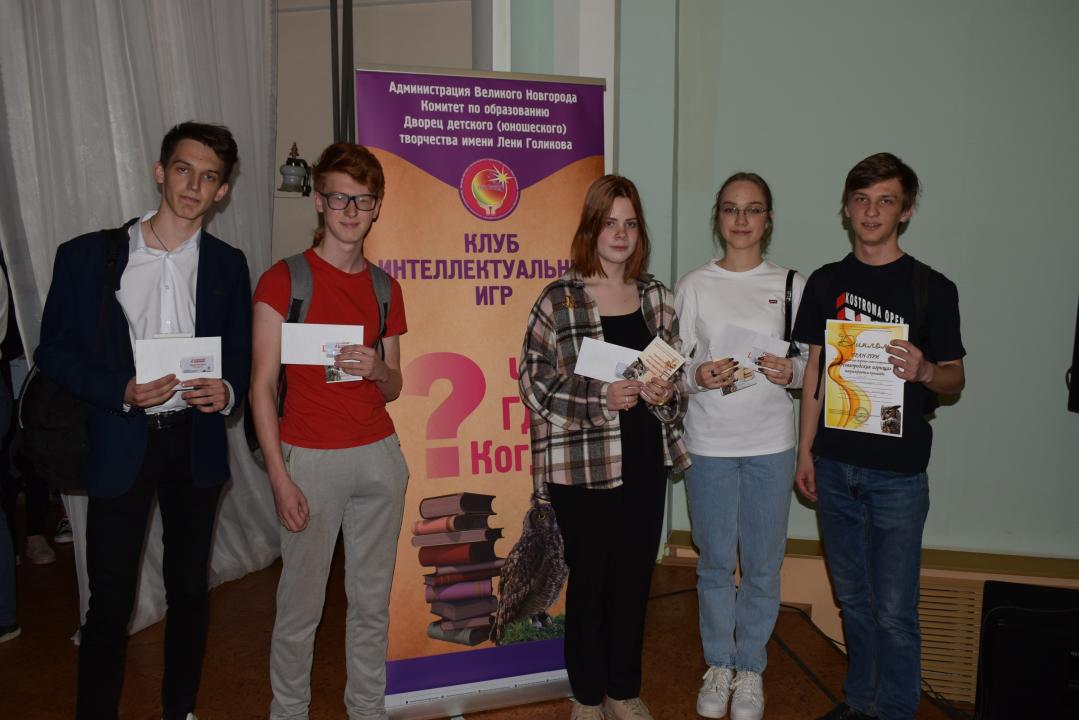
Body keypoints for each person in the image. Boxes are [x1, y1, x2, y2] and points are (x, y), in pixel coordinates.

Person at [34, 121, 252, 720]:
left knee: (189, 592)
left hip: (195, 444)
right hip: (120, 438)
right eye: (183, 169)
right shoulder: (88, 255)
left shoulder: (229, 264)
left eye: (209, 177)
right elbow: (53, 350)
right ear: (160, 172)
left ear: (222, 191)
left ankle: (179, 709)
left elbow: (240, 352)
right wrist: (120, 389)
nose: (193, 186)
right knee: (108, 602)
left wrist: (227, 389)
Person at [791, 153, 966, 720]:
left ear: (905, 211)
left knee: (894, 611)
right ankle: (859, 701)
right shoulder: (825, 282)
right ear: (846, 209)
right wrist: (806, 452)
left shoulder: (932, 288)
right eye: (861, 200)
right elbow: (814, 372)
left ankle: (893, 710)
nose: (872, 212)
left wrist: (925, 370)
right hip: (834, 465)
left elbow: (955, 377)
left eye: (885, 201)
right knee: (854, 602)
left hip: (898, 475)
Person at [519, 175, 690, 720]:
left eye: (630, 224)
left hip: (645, 460)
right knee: (589, 585)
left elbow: (675, 383)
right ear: (591, 229)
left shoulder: (658, 297)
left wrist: (665, 392)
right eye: (609, 222)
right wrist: (601, 398)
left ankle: (623, 690)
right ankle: (588, 696)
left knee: (634, 581)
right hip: (582, 466)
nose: (620, 234)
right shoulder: (558, 299)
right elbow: (533, 383)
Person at [251, 142, 408, 720]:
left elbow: (395, 385)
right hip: (310, 460)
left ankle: (366, 709)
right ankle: (288, 711)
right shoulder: (283, 280)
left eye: (362, 200)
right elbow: (261, 387)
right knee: (300, 607)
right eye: (339, 197)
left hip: (379, 457)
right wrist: (279, 478)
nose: (350, 210)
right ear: (319, 201)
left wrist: (378, 368)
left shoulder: (386, 288)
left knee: (371, 604)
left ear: (376, 207)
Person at [674, 173, 807, 720]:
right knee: (714, 562)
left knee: (762, 564)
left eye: (753, 209)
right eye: (731, 209)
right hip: (708, 444)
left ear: (768, 219)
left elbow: (812, 366)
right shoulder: (693, 285)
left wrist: (791, 371)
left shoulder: (792, 285)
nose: (742, 220)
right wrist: (695, 376)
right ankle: (719, 664)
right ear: (718, 217)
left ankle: (750, 667)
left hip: (771, 445)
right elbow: (671, 366)